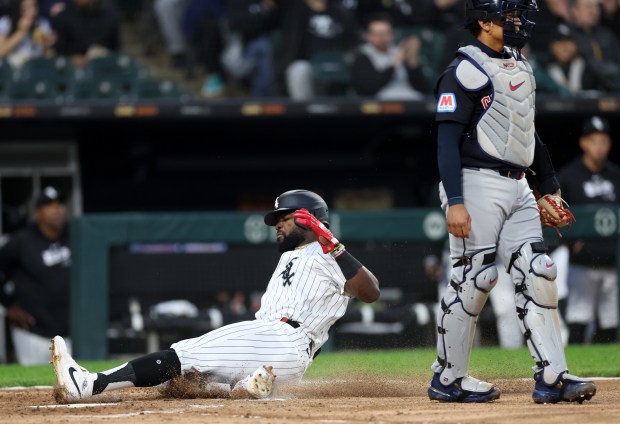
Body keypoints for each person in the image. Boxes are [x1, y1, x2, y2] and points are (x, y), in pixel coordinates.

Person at [50, 189, 380, 403]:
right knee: (182, 385)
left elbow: (371, 292)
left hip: (281, 339)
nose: (277, 225)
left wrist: (330, 240)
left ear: (309, 220)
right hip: (282, 349)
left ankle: (89, 384)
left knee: (184, 354)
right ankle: (246, 386)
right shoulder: (289, 256)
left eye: (285, 218)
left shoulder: (328, 255)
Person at [429, 0, 596, 404]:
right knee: (475, 279)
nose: (518, 21)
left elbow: (528, 134)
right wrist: (454, 200)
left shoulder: (519, 64)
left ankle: (552, 377)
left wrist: (549, 186)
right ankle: (448, 378)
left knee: (539, 272)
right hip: (475, 182)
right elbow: (446, 142)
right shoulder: (463, 70)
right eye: (509, 15)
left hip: (519, 183)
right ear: (484, 22)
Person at [555, 116, 620, 344]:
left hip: (613, 263)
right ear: (584, 143)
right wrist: (572, 244)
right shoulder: (568, 176)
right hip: (582, 263)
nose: (599, 147)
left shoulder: (615, 175)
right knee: (578, 320)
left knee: (610, 325)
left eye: (604, 141)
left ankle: (610, 376)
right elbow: (557, 218)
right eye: (594, 141)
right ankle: (574, 370)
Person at [0, 186, 71, 365]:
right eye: (49, 205)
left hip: (70, 331)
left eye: (60, 204)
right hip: (33, 332)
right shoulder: (21, 241)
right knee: (36, 388)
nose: (56, 209)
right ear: (38, 212)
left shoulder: (74, 237)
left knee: (74, 387)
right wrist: (8, 305)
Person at [350, 12, 432, 100]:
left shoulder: (399, 52)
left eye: (385, 33)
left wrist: (413, 62)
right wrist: (394, 64)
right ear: (368, 36)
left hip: (409, 100)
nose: (382, 38)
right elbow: (370, 87)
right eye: (377, 34)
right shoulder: (361, 56)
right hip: (380, 103)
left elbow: (423, 89)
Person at [50, 0, 122, 68]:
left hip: (104, 68)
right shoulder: (61, 19)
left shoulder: (111, 17)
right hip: (71, 72)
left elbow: (116, 50)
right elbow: (57, 54)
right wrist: (70, 59)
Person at [0, 0, 56, 69]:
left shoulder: (42, 24)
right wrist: (20, 32)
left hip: (34, 69)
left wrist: (47, 44)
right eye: (26, 8)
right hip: (11, 69)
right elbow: (1, 52)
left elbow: (46, 55)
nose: (32, 12)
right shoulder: (6, 23)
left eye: (34, 6)